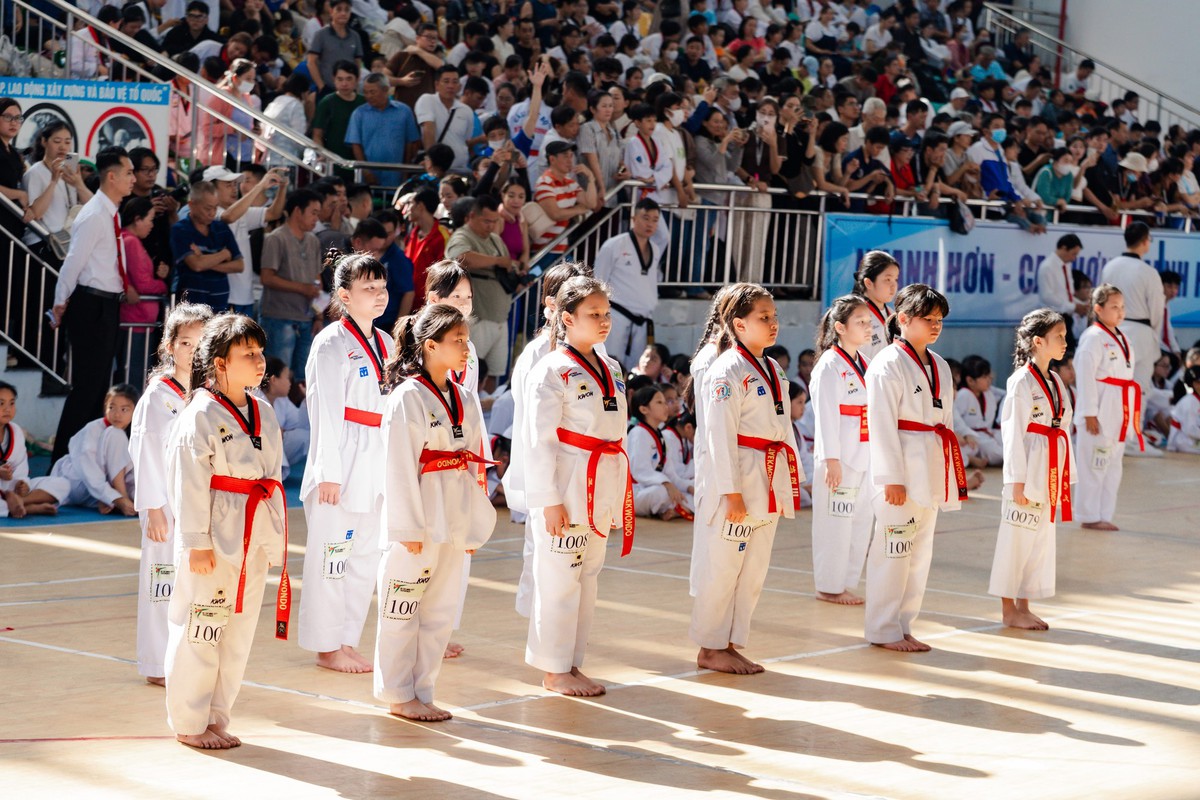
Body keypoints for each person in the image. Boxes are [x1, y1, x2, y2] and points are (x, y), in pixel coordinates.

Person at [165, 313, 289, 750]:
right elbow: (189, 484)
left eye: (259, 353)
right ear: (219, 363)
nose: (260, 362)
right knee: (203, 626)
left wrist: (273, 540)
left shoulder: (264, 411)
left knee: (237, 631)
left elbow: (273, 479)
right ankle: (188, 719)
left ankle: (216, 715)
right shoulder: (198, 414)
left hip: (252, 533)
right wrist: (196, 543)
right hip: (214, 534)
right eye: (248, 354)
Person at [375, 303, 496, 720]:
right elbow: (397, 465)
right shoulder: (406, 397)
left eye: (466, 338)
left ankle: (422, 689)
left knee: (440, 611)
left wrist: (473, 523)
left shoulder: (462, 395)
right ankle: (397, 692)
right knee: (402, 609)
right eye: (457, 340)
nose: (466, 347)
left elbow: (475, 458)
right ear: (430, 345)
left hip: (454, 514)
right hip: (419, 517)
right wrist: (406, 527)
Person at [524, 275, 633, 697]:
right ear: (566, 318)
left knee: (588, 578)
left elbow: (616, 433)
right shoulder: (550, 370)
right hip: (567, 483)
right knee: (558, 580)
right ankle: (553, 669)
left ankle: (571, 662)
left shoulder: (612, 367)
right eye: (594, 314)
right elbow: (538, 441)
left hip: (602, 480)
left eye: (607, 314)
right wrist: (548, 501)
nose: (604, 321)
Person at [690, 283, 801, 675]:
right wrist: (730, 494)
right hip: (737, 473)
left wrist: (790, 480)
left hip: (768, 474)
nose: (773, 324)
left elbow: (783, 428)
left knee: (753, 568)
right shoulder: (725, 369)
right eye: (763, 318)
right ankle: (710, 645)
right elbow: (718, 436)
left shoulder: (773, 368)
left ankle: (732, 641)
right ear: (738, 324)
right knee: (722, 566)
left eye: (774, 317)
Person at [297, 251, 392, 673]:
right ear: (344, 295)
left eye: (382, 287)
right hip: (342, 454)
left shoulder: (387, 342)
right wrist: (328, 473)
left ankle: (347, 639)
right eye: (367, 289)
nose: (378, 296)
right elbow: (325, 411)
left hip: (377, 453)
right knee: (332, 556)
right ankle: (325, 645)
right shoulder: (330, 342)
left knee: (364, 556)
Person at [864, 283, 965, 652]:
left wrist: (951, 472)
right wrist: (891, 477)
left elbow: (947, 421)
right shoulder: (886, 363)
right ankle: (882, 627)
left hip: (931, 465)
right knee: (893, 551)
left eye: (940, 320)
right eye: (928, 319)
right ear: (903, 319)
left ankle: (904, 623)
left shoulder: (938, 364)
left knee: (919, 554)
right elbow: (880, 424)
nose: (936, 325)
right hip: (901, 468)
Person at [129, 302, 213, 686]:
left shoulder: (207, 394)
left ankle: (186, 656)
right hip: (165, 502)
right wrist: (153, 507)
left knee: (194, 584)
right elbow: (144, 452)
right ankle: (155, 662)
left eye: (200, 343)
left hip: (198, 501)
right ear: (168, 346)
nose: (192, 351)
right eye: (184, 342)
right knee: (162, 582)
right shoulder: (157, 397)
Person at [504, 262, 593, 619]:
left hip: (582, 467)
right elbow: (532, 425)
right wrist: (541, 483)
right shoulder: (538, 354)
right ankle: (538, 627)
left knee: (572, 559)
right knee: (541, 552)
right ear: (552, 304)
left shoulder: (590, 350)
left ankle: (556, 623)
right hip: (547, 468)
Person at [50, 148, 137, 465]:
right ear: (111, 177)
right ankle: (62, 458)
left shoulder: (109, 210)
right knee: (87, 386)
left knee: (100, 386)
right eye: (128, 172)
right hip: (90, 305)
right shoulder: (94, 214)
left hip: (108, 306)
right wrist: (60, 303)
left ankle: (87, 458)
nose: (133, 178)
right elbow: (72, 264)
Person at [989, 308, 1074, 630]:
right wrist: (1016, 481)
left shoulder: (1054, 379)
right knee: (1015, 540)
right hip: (1026, 468)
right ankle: (1008, 610)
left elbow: (1062, 425)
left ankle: (1024, 604)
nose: (1065, 343)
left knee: (1038, 540)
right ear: (1038, 341)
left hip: (1049, 466)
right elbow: (1011, 434)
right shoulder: (1021, 381)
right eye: (1059, 337)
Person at [810, 295, 874, 606]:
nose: (868, 327)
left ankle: (846, 582)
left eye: (869, 322)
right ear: (840, 327)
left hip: (865, 453)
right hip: (839, 458)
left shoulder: (867, 363)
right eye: (860, 322)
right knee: (835, 522)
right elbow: (825, 416)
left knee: (861, 522)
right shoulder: (829, 365)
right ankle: (829, 585)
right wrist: (830, 459)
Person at [1075, 284, 1140, 531]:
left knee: (1113, 465)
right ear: (1098, 309)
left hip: (1118, 410)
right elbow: (1085, 375)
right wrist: (1088, 412)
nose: (1120, 312)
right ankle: (1089, 515)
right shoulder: (1092, 338)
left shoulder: (1122, 337)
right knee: (1094, 463)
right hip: (1099, 412)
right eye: (1114, 307)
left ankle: (1104, 514)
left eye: (1122, 307)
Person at [443, 195, 516, 377]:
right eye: (486, 221)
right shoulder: (462, 235)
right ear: (472, 216)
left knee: (494, 374)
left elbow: (506, 267)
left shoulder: (495, 239)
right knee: (470, 371)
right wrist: (497, 261)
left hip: (500, 317)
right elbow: (459, 257)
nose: (490, 225)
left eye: (494, 221)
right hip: (477, 318)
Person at [592, 198, 663, 372]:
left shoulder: (655, 248)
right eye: (645, 218)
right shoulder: (614, 245)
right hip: (617, 314)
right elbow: (597, 281)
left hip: (643, 319)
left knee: (637, 369)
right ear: (633, 219)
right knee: (610, 365)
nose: (650, 224)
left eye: (655, 220)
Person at [1099, 221, 1164, 411]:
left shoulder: (1109, 267)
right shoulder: (1149, 273)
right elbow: (1157, 310)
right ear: (1145, 241)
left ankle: (1114, 438)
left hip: (1112, 332)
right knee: (1138, 388)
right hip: (1140, 332)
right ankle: (1132, 439)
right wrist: (1153, 335)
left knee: (1112, 387)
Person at [260, 188, 323, 383]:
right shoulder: (276, 238)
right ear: (297, 211)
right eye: (313, 213)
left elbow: (317, 278)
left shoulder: (313, 240)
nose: (316, 219)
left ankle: (296, 413)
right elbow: (267, 277)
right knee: (278, 376)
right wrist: (302, 288)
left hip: (306, 317)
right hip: (280, 317)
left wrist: (319, 314)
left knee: (303, 377)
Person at [49, 383, 139, 513]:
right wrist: (117, 498)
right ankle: (119, 499)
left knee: (142, 498)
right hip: (76, 482)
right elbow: (88, 471)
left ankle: (114, 501)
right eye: (111, 407)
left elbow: (130, 473)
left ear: (135, 411)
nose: (117, 414)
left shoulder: (132, 433)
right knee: (116, 434)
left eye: (124, 409)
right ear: (105, 408)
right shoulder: (92, 429)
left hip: (99, 489)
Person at [211, 166, 288, 316]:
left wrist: (283, 187)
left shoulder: (240, 211)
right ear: (211, 189)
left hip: (245, 296)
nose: (234, 189)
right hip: (225, 296)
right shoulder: (211, 214)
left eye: (235, 184)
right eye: (228, 185)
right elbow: (229, 217)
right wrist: (260, 187)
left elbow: (273, 213)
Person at [119, 197, 170, 385]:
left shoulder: (129, 240)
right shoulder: (130, 241)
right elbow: (143, 284)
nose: (151, 225)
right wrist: (163, 286)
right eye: (149, 219)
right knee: (134, 376)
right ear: (137, 219)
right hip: (136, 320)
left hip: (139, 319)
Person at [0, 382, 69, 518]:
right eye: (1, 404)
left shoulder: (16, 431)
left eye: (12, 403)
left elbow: (20, 466)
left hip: (12, 489)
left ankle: (20, 501)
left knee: (63, 484)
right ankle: (30, 508)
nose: (7, 409)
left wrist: (22, 484)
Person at [171, 182, 243, 313]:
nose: (212, 213)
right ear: (191, 205)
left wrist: (204, 260)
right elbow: (196, 265)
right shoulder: (180, 229)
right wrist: (223, 255)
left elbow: (239, 265)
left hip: (220, 306)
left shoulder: (222, 228)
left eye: (215, 208)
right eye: (208, 208)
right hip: (190, 309)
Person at [22, 121, 94, 252]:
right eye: (57, 141)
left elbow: (93, 206)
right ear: (44, 141)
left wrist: (78, 183)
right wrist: (53, 181)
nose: (62, 147)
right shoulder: (34, 173)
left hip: (66, 242)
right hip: (43, 242)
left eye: (67, 142)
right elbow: (36, 213)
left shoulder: (69, 170)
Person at [347, 73, 422, 187]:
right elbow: (355, 144)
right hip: (369, 176)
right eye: (365, 92)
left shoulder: (404, 111)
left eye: (372, 92)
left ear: (386, 90)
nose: (368, 96)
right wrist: (366, 170)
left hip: (396, 175)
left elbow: (410, 143)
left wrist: (405, 170)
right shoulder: (359, 113)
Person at [629, 385, 690, 520]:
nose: (665, 407)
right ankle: (670, 509)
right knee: (662, 492)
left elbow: (670, 475)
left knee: (690, 491)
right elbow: (639, 471)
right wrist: (667, 484)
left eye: (664, 402)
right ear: (644, 409)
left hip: (650, 489)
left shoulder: (660, 436)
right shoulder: (638, 433)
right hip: (634, 492)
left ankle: (669, 509)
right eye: (659, 402)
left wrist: (688, 487)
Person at [416, 66, 477, 172]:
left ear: (459, 86)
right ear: (437, 85)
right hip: (436, 169)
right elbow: (428, 130)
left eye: (454, 82)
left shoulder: (466, 110)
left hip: (460, 169)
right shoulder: (427, 100)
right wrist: (432, 161)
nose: (450, 86)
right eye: (446, 81)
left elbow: (466, 140)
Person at [402, 189, 450, 311]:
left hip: (427, 308)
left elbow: (444, 275)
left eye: (410, 203)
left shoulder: (442, 236)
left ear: (421, 206)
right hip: (407, 303)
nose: (407, 209)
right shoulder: (412, 234)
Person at [312, 61, 366, 165]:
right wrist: (323, 154)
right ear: (334, 80)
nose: (344, 84)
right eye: (340, 79)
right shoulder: (327, 102)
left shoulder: (364, 102)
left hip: (361, 160)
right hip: (334, 160)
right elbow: (317, 135)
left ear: (357, 79)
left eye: (349, 79)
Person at [307, 0, 364, 97]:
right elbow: (311, 62)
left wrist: (355, 84)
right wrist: (321, 86)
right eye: (339, 9)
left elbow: (357, 63)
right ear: (331, 11)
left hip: (349, 90)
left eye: (347, 10)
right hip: (327, 89)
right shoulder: (321, 35)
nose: (343, 13)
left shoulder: (355, 36)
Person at [261, 356, 309, 470]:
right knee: (273, 437)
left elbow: (300, 423)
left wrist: (308, 398)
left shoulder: (282, 400)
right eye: (287, 378)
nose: (290, 383)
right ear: (273, 380)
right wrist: (275, 430)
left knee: (306, 436)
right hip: (255, 452)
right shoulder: (254, 399)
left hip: (275, 450)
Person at [954, 356, 1004, 466]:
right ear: (970, 380)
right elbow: (954, 420)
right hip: (972, 436)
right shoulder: (963, 395)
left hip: (988, 433)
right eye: (985, 377)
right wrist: (964, 434)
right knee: (997, 453)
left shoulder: (988, 393)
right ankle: (972, 459)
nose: (990, 379)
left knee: (1007, 443)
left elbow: (1008, 394)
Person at [853, 250, 900, 361]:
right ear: (869, 283)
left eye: (896, 279)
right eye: (888, 279)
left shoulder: (893, 314)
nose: (893, 285)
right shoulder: (853, 315)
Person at [1037, 234, 1086, 328]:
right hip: (1051, 319)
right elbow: (1046, 296)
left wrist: (1079, 305)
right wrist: (1073, 307)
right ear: (1063, 248)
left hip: (1065, 316)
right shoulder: (1047, 267)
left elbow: (1067, 294)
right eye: (1073, 254)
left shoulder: (1066, 265)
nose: (1074, 258)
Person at [1167, 366, 1200, 454]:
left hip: (1191, 439)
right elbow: (1189, 429)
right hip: (1182, 441)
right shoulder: (1190, 401)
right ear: (1193, 384)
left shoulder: (1196, 400)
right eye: (1198, 382)